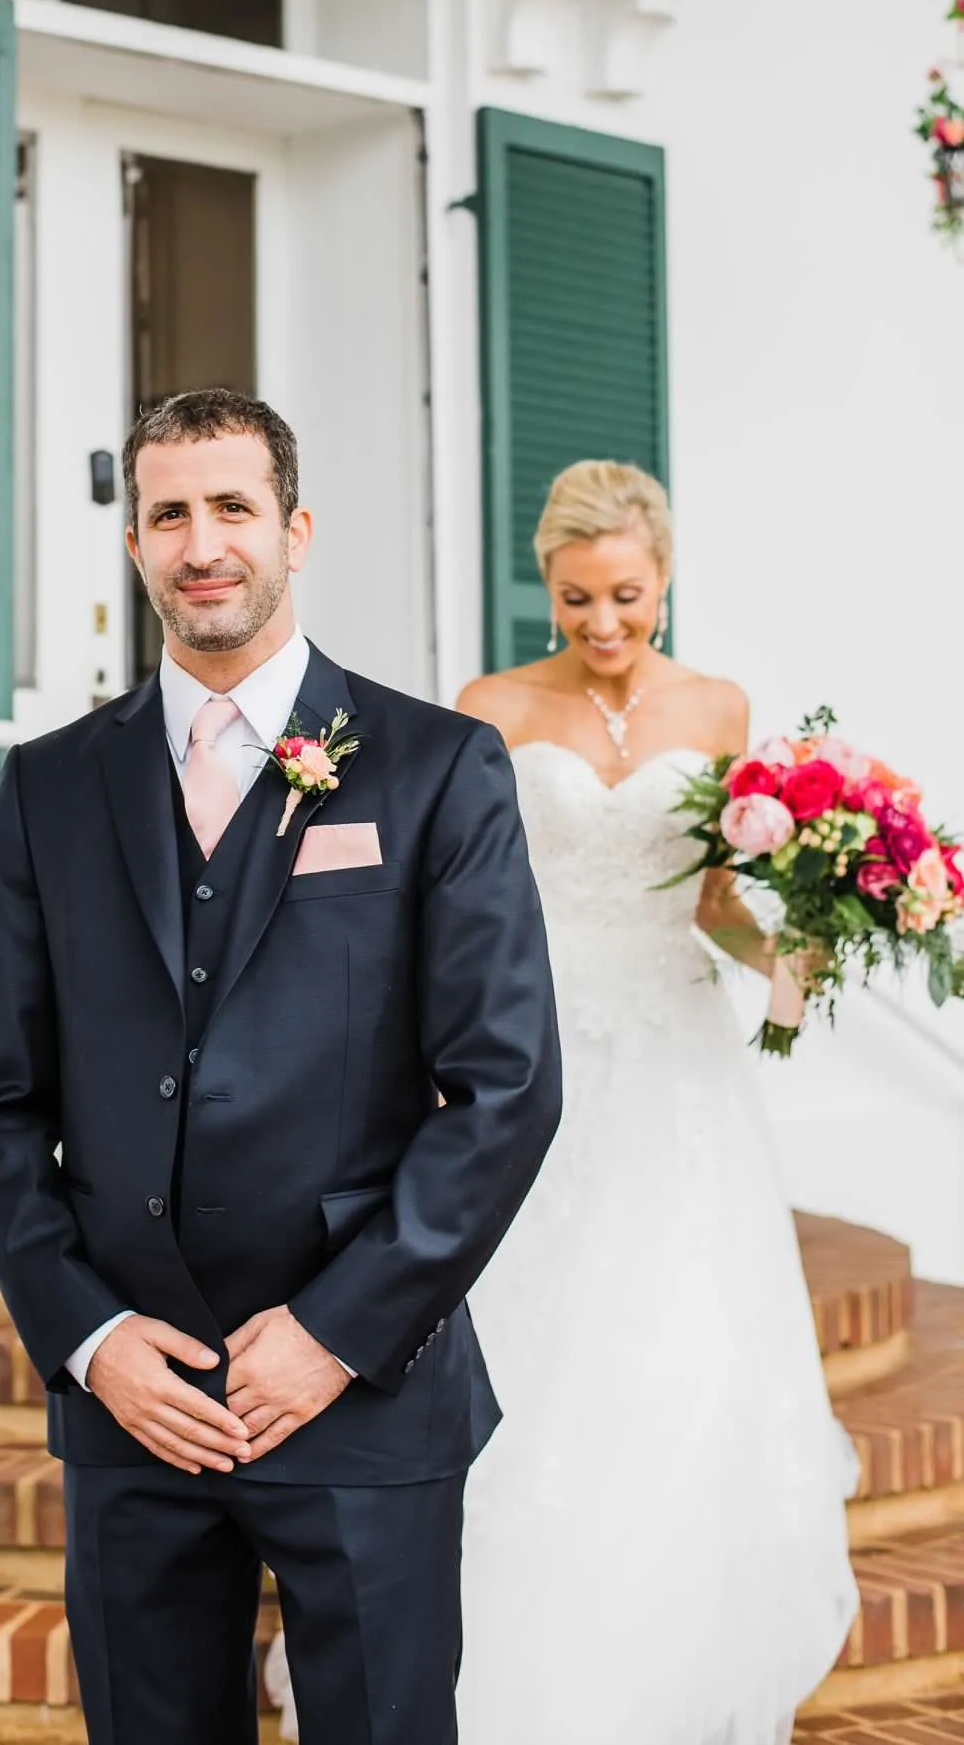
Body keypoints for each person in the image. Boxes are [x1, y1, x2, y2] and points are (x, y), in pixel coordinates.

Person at [0, 388, 562, 1745]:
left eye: (231, 507)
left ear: (294, 529)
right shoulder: (48, 787)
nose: (199, 541)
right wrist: (93, 1341)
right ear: (135, 548)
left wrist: (337, 1329)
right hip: (135, 1410)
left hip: (362, 1397)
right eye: (167, 513)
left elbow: (505, 1086)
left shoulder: (436, 766)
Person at [439, 459, 855, 1745]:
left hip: (678, 1063)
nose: (600, 625)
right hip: (534, 1058)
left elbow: (717, 900)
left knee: (679, 1350)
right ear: (544, 588)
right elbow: (460, 907)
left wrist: (788, 963)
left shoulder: (718, 703)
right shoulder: (490, 705)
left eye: (623, 596)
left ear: (663, 578)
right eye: (572, 599)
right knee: (530, 1350)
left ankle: (669, 1674)